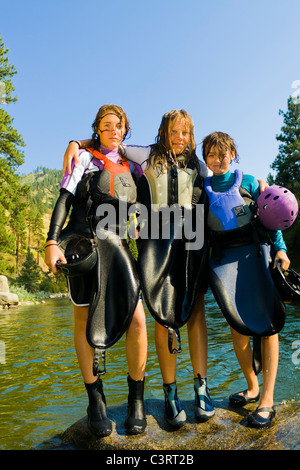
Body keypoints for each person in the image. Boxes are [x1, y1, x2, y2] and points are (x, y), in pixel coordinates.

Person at [62, 110, 215, 429]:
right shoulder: (144, 154)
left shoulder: (197, 165)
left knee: (195, 311)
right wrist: (76, 143)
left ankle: (200, 389)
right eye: (173, 131)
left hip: (191, 245)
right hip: (155, 248)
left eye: (185, 133)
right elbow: (110, 143)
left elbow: (222, 182)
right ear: (163, 132)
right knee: (162, 314)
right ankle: (169, 394)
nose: (179, 138)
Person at [45, 105, 147, 437]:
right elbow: (64, 199)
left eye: (119, 126)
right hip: (83, 244)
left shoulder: (135, 167)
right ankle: (96, 400)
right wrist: (52, 242)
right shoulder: (84, 159)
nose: (114, 130)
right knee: (83, 318)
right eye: (106, 126)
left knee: (137, 319)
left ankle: (136, 400)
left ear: (125, 130)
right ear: (97, 129)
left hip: (118, 247)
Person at [202, 131, 290, 428]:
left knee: (268, 324)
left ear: (233, 154)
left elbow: (273, 219)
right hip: (224, 261)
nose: (218, 160)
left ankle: (267, 400)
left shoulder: (252, 183)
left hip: (256, 254)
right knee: (238, 326)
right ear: (205, 158)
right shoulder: (202, 190)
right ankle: (252, 386)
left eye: (223, 153)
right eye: (212, 155)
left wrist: (281, 250)